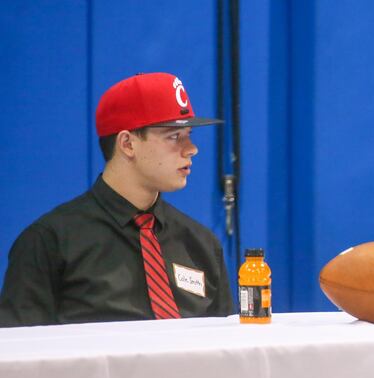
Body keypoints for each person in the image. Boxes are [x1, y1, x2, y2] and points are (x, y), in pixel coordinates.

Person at [0, 72, 234, 327]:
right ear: (127, 143)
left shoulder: (202, 245)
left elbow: (225, 352)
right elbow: (21, 356)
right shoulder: (49, 243)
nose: (191, 148)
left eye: (189, 134)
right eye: (174, 136)